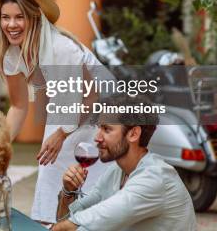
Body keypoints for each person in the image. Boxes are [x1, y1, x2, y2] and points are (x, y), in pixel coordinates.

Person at [0, 0, 109, 225]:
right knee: (51, 185)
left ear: (35, 17)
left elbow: (93, 96)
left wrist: (61, 133)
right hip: (65, 114)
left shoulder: (63, 48)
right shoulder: (12, 56)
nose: (11, 24)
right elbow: (18, 107)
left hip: (102, 120)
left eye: (19, 17)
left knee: (94, 200)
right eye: (6, 17)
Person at [52, 95, 195, 231]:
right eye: (99, 128)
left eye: (107, 129)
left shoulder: (155, 177)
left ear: (133, 134)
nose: (97, 137)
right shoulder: (116, 171)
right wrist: (68, 192)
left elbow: (94, 219)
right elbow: (68, 219)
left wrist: (63, 226)